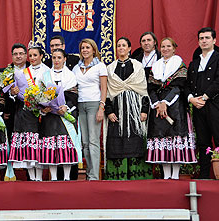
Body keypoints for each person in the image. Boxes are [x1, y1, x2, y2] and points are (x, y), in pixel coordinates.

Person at [147, 37, 197, 179]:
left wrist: (165, 103)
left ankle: (175, 175)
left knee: (175, 137)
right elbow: (151, 88)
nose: (165, 49)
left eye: (168, 46)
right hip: (157, 106)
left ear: (174, 48)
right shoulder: (155, 66)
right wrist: (157, 103)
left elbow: (178, 86)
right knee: (161, 138)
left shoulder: (179, 65)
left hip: (175, 105)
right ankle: (166, 175)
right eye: (163, 46)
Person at [185, 27, 219, 179]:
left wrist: (204, 97)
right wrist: (192, 99)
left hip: (215, 106)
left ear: (214, 40)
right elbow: (187, 85)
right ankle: (204, 177)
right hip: (198, 107)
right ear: (198, 41)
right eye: (201, 38)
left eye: (207, 38)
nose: (204, 41)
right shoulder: (194, 63)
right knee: (203, 143)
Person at [104, 37, 152, 180]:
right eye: (118, 46)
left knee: (135, 140)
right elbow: (107, 93)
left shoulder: (137, 66)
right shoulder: (110, 68)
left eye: (124, 45)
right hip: (117, 109)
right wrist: (109, 111)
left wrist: (144, 110)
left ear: (130, 48)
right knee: (117, 141)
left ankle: (137, 175)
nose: (121, 48)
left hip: (134, 109)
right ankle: (117, 175)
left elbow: (144, 91)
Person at [8, 41, 50, 181]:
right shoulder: (23, 73)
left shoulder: (47, 71)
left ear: (41, 56)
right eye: (30, 55)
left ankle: (40, 178)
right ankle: (32, 178)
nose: (32, 58)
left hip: (43, 113)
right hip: (26, 113)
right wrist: (16, 93)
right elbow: (17, 92)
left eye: (35, 55)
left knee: (40, 146)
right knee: (29, 148)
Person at [39, 48, 81, 181]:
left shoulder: (70, 76)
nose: (56, 60)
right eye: (54, 57)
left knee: (65, 148)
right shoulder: (45, 75)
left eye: (59, 57)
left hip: (64, 115)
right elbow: (38, 94)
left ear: (64, 59)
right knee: (52, 148)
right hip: (50, 116)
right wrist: (43, 107)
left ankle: (67, 178)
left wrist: (66, 106)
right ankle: (54, 177)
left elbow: (73, 94)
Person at [72, 38, 107, 180]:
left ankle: (94, 176)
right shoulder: (76, 67)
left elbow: (104, 88)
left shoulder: (100, 66)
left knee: (93, 140)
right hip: (80, 104)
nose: (85, 50)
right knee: (84, 142)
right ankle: (89, 172)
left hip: (94, 104)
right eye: (82, 48)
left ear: (93, 49)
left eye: (87, 47)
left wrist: (101, 107)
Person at [0, 43, 30, 142]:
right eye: (15, 54)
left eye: (21, 53)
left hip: (30, 111)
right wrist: (10, 93)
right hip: (11, 113)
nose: (18, 56)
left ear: (26, 55)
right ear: (12, 56)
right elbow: (0, 94)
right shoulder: (5, 72)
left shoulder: (32, 68)